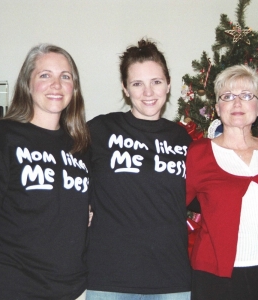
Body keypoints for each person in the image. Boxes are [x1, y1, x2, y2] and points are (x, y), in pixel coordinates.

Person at [0, 44, 91, 299]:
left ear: (73, 88)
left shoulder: (81, 146)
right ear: (27, 85)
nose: (56, 84)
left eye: (65, 76)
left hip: (74, 290)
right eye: (45, 75)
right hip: (14, 287)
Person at [86, 39, 191, 299]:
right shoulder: (100, 130)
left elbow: (204, 196)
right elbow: (66, 178)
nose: (148, 92)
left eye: (156, 82)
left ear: (168, 83)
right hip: (108, 279)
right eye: (137, 83)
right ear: (125, 88)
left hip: (172, 279)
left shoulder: (183, 140)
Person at [186, 64, 258, 300]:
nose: (237, 103)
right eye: (227, 96)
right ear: (217, 108)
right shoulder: (198, 154)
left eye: (246, 96)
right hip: (217, 279)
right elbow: (170, 206)